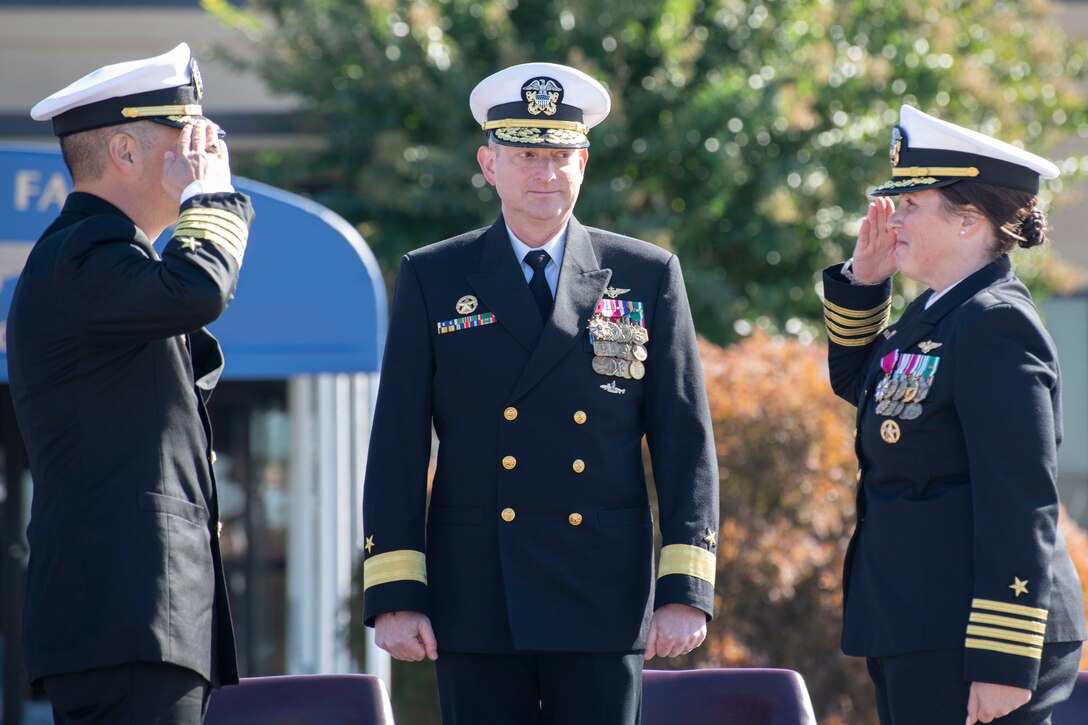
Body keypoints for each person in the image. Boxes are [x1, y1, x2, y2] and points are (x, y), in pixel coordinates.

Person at [361, 62, 719, 725]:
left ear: (583, 163)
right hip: (477, 592)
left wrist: (685, 587)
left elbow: (683, 441)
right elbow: (398, 443)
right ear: (488, 164)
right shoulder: (433, 277)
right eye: (526, 154)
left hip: (601, 593)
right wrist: (396, 590)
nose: (545, 173)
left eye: (559, 155)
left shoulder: (645, 275)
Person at [8, 43, 253, 724]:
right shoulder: (84, 253)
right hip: (123, 616)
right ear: (125, 151)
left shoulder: (110, 261)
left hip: (134, 620)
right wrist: (214, 196)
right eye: (191, 139)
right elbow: (199, 287)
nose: (207, 154)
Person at [822, 104, 1086, 724]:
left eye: (911, 205)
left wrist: (1002, 660)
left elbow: (1019, 498)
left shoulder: (996, 324)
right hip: (918, 623)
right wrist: (864, 285)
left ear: (969, 221)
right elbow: (865, 389)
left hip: (973, 637)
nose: (892, 219)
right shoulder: (938, 313)